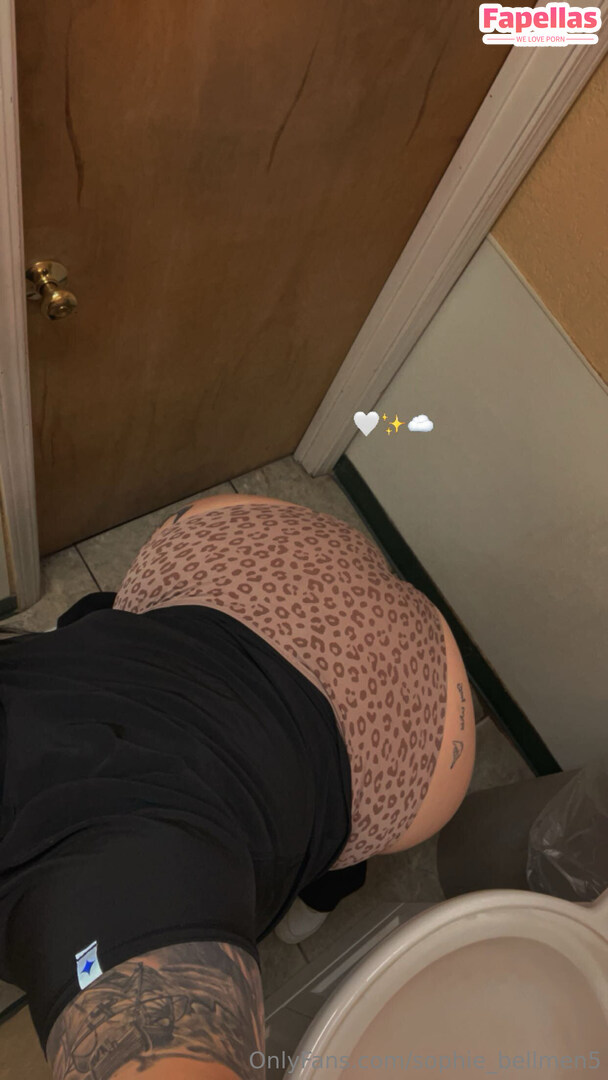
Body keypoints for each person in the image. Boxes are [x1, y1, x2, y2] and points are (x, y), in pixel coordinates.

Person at [0, 493, 475, 1080]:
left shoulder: (94, 884)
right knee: (103, 631)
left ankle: (326, 882)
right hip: (246, 553)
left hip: (402, 724)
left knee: (334, 832)